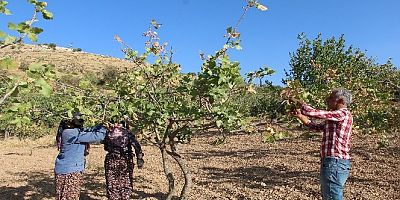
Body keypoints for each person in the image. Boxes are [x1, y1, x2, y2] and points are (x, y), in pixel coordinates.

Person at [292, 88, 353, 200]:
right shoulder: (335, 118)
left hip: (335, 162)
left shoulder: (343, 114)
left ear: (341, 101)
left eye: (331, 98)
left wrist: (300, 103)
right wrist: (301, 116)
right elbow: (315, 126)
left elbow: (315, 113)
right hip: (334, 163)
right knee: (330, 195)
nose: (327, 100)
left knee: (331, 196)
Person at [54, 112, 107, 200]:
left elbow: (89, 129)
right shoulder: (72, 133)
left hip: (65, 169)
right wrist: (104, 127)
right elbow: (98, 136)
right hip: (70, 171)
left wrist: (100, 125)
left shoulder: (67, 131)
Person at [103, 120, 144, 200]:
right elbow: (136, 146)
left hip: (111, 160)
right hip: (125, 160)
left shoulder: (108, 133)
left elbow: (106, 147)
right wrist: (139, 159)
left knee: (112, 185)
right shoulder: (127, 133)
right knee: (126, 184)